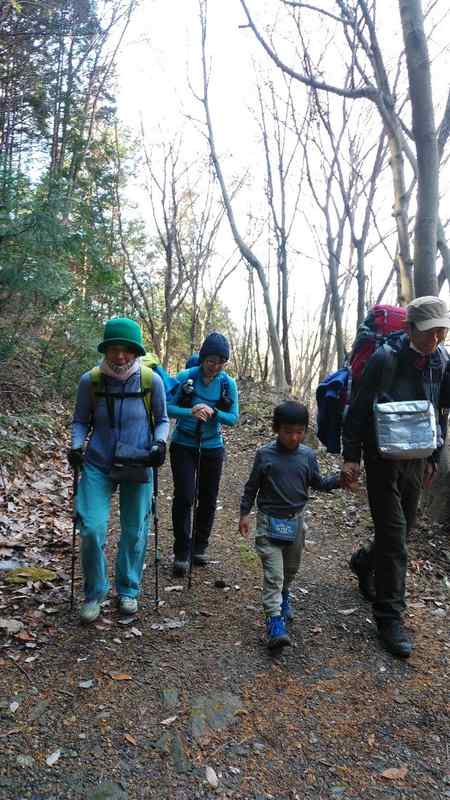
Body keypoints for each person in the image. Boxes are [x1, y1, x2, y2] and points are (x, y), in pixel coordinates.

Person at [342, 296, 450, 658]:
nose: (435, 338)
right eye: (429, 332)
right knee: (394, 536)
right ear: (409, 329)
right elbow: (358, 409)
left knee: (402, 530)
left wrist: (434, 455)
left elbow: (439, 412)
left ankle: (364, 562)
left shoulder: (440, 362)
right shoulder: (385, 359)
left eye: (441, 331)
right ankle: (389, 618)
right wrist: (351, 457)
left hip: (416, 458)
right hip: (382, 456)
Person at [68, 317, 169, 624]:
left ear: (136, 351)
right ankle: (94, 593)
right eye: (114, 349)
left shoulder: (151, 381)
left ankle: (128, 589)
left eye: (127, 349)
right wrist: (76, 445)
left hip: (138, 461)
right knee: (91, 527)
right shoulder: (91, 381)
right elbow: (80, 420)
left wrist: (160, 444)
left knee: (135, 529)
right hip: (98, 461)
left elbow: (163, 420)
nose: (120, 356)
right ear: (106, 350)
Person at [239, 400, 343, 650]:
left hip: (296, 522)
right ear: (276, 428)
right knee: (274, 574)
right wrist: (244, 513)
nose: (294, 437)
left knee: (290, 570)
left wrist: (339, 480)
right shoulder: (265, 455)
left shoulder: (307, 456)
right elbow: (252, 486)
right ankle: (275, 623)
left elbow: (318, 483)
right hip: (268, 523)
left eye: (299, 432)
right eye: (288, 431)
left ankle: (284, 596)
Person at [167, 332, 239, 576]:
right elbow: (166, 407)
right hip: (183, 444)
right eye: (211, 361)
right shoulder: (185, 377)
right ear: (202, 358)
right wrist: (191, 411)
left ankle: (199, 546)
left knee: (208, 497)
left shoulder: (228, 384)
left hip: (212, 446)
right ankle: (181, 551)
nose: (215, 367)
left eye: (221, 362)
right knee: (185, 496)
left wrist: (213, 412)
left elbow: (233, 418)